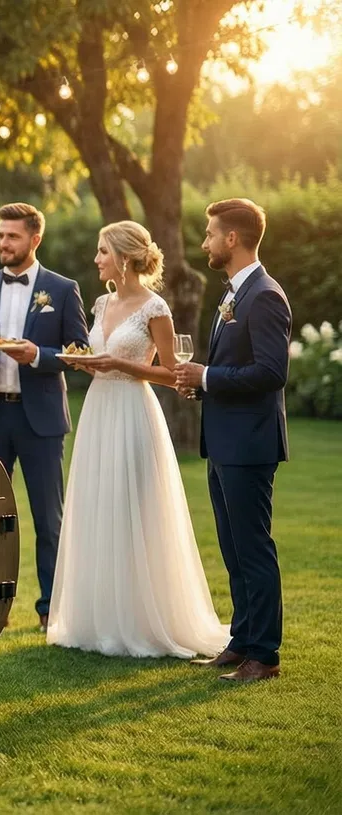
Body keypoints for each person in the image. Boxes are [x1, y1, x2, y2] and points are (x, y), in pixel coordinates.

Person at [49, 221, 227, 659]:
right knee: (98, 507)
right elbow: (102, 357)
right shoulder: (101, 301)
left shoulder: (155, 308)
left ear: (124, 258)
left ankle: (142, 621)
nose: (96, 259)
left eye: (102, 251)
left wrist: (123, 366)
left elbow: (172, 375)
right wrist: (88, 364)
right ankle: (99, 621)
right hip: (98, 410)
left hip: (132, 411)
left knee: (134, 510)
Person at [0, 202, 88, 631]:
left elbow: (79, 353)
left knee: (48, 520)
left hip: (41, 421)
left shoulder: (63, 289)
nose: (3, 243)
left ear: (35, 239)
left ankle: (51, 608)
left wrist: (37, 356)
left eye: (11, 236)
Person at [173, 198, 290, 683]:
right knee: (233, 548)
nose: (204, 243)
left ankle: (264, 656)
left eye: (209, 234)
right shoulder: (234, 294)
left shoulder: (263, 295)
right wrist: (202, 383)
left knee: (253, 548)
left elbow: (270, 372)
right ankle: (241, 641)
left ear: (232, 239)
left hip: (249, 446)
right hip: (224, 442)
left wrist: (209, 376)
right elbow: (234, 369)